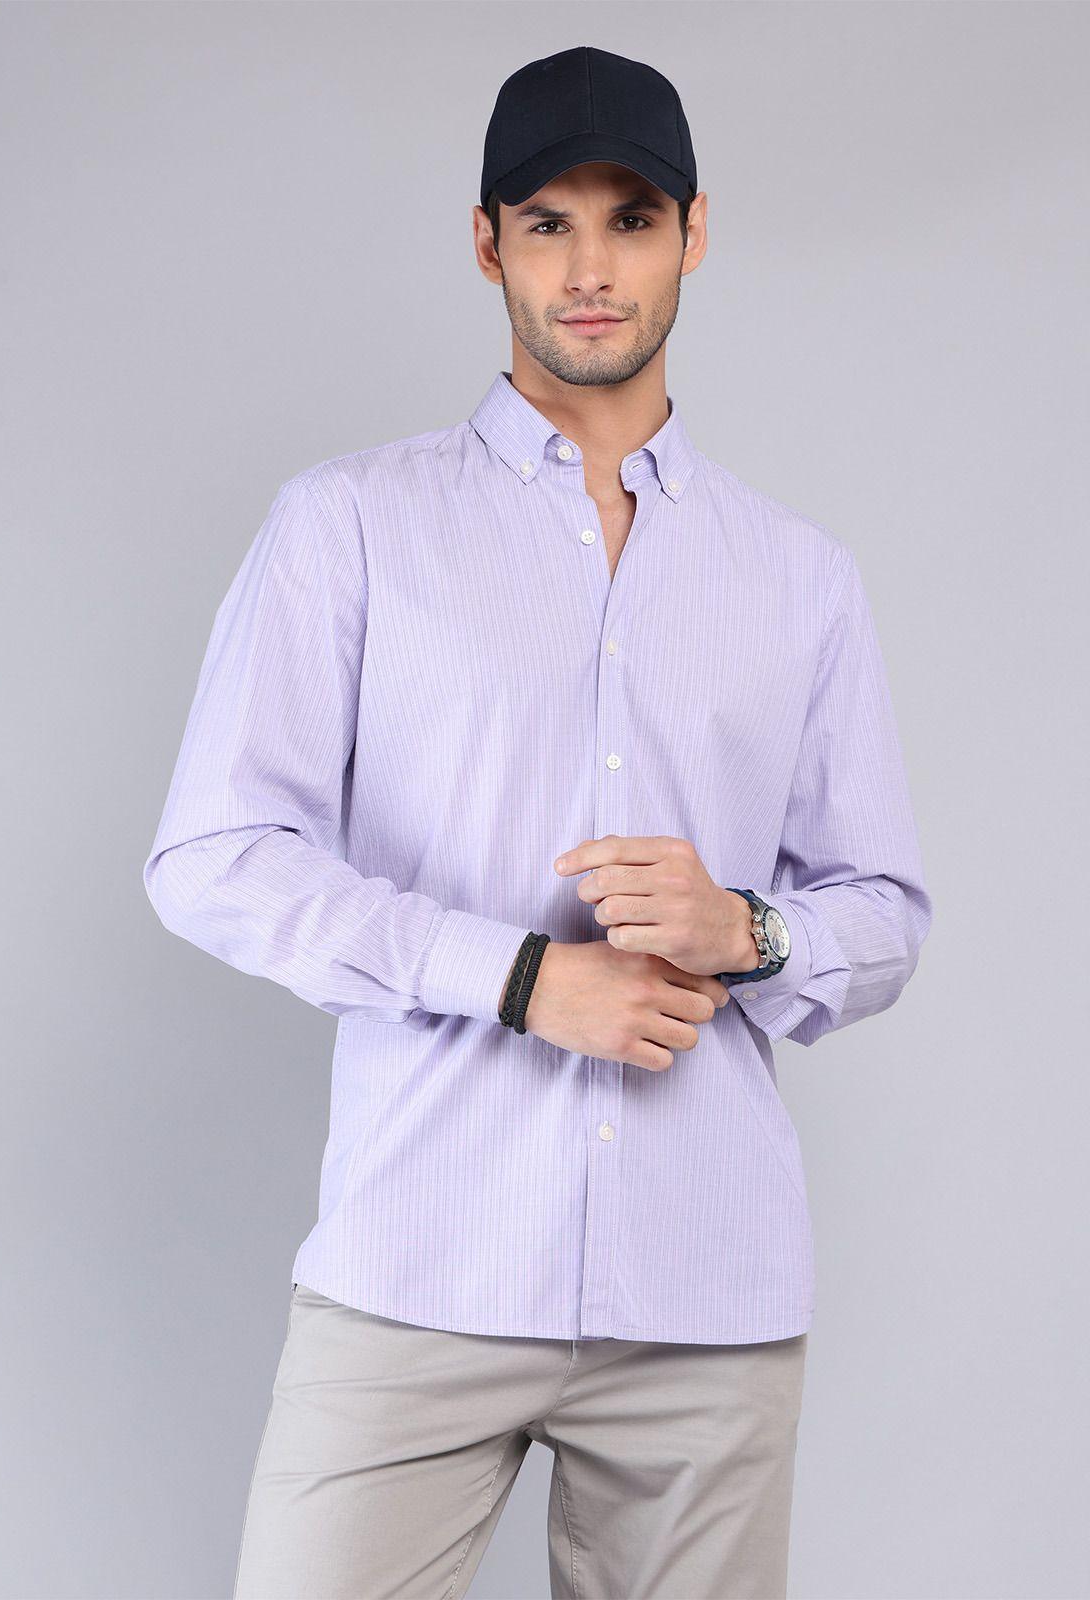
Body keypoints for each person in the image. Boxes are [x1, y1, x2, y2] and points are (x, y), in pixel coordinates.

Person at [143, 45, 932, 1600]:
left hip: (705, 1298)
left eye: (630, 220)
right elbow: (214, 859)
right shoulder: (353, 526)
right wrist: (516, 976)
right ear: (485, 240)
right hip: (423, 1261)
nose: (589, 270)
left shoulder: (799, 577)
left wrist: (748, 928)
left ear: (693, 234)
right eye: (548, 223)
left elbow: (885, 911)